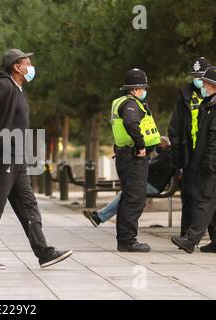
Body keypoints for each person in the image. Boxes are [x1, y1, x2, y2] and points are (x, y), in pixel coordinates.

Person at [0, 49, 73, 269]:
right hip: (3, 156)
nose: (31, 67)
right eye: (28, 63)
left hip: (17, 158)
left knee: (28, 205)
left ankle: (44, 252)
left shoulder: (17, 89)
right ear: (17, 67)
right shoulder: (4, 85)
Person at [111, 68, 161, 252]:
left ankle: (125, 239)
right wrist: (140, 145)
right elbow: (131, 123)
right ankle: (128, 241)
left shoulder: (125, 102)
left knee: (129, 198)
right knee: (135, 199)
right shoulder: (131, 104)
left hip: (127, 156)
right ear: (134, 89)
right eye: (142, 88)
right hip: (133, 157)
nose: (144, 91)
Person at [171, 66, 216, 254]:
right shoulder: (209, 104)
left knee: (205, 199)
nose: (202, 86)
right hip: (206, 161)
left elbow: (214, 138)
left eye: (205, 83)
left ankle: (191, 240)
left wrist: (210, 163)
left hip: (212, 163)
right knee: (212, 200)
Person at [83, 137, 176, 227]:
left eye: (159, 144)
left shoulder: (166, 158)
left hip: (152, 186)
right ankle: (100, 217)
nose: (157, 146)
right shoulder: (164, 156)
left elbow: (148, 167)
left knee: (125, 194)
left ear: (166, 145)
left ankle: (100, 217)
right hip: (148, 184)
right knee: (124, 194)